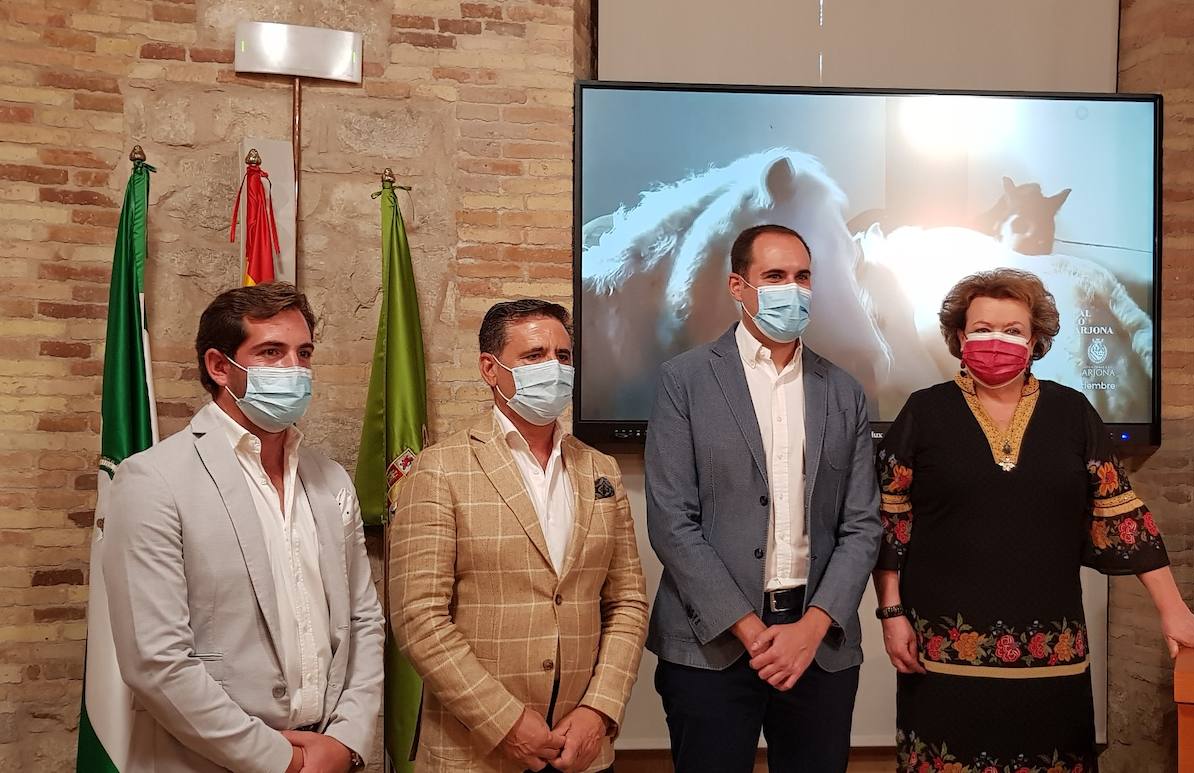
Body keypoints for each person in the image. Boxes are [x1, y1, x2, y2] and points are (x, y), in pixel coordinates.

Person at [872, 268, 1194, 772]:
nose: (996, 340)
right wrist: (891, 613)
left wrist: (1174, 612)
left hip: (1053, 646)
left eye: (1013, 330)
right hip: (942, 647)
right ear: (960, 336)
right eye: (982, 328)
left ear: (1035, 340)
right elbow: (891, 520)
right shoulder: (924, 411)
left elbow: (1122, 513)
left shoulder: (1072, 412)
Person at [103, 283, 383, 773]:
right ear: (219, 366)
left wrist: (345, 742)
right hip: (206, 760)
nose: (294, 369)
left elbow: (364, 621)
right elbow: (157, 660)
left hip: (329, 751)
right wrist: (282, 761)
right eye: (271, 352)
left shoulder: (330, 479)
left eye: (303, 353)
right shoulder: (153, 480)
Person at [644, 224, 882, 772]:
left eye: (803, 277)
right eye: (774, 276)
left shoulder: (844, 390)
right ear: (738, 286)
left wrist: (811, 627)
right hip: (711, 643)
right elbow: (672, 522)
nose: (792, 289)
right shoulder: (684, 380)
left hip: (818, 645)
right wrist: (752, 632)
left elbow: (862, 525)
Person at [388, 299, 648, 773]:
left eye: (563, 356)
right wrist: (505, 722)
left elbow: (627, 602)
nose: (554, 368)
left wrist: (599, 709)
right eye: (534, 355)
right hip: (476, 752)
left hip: (581, 748)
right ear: (490, 369)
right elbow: (418, 617)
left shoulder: (601, 469)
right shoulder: (440, 469)